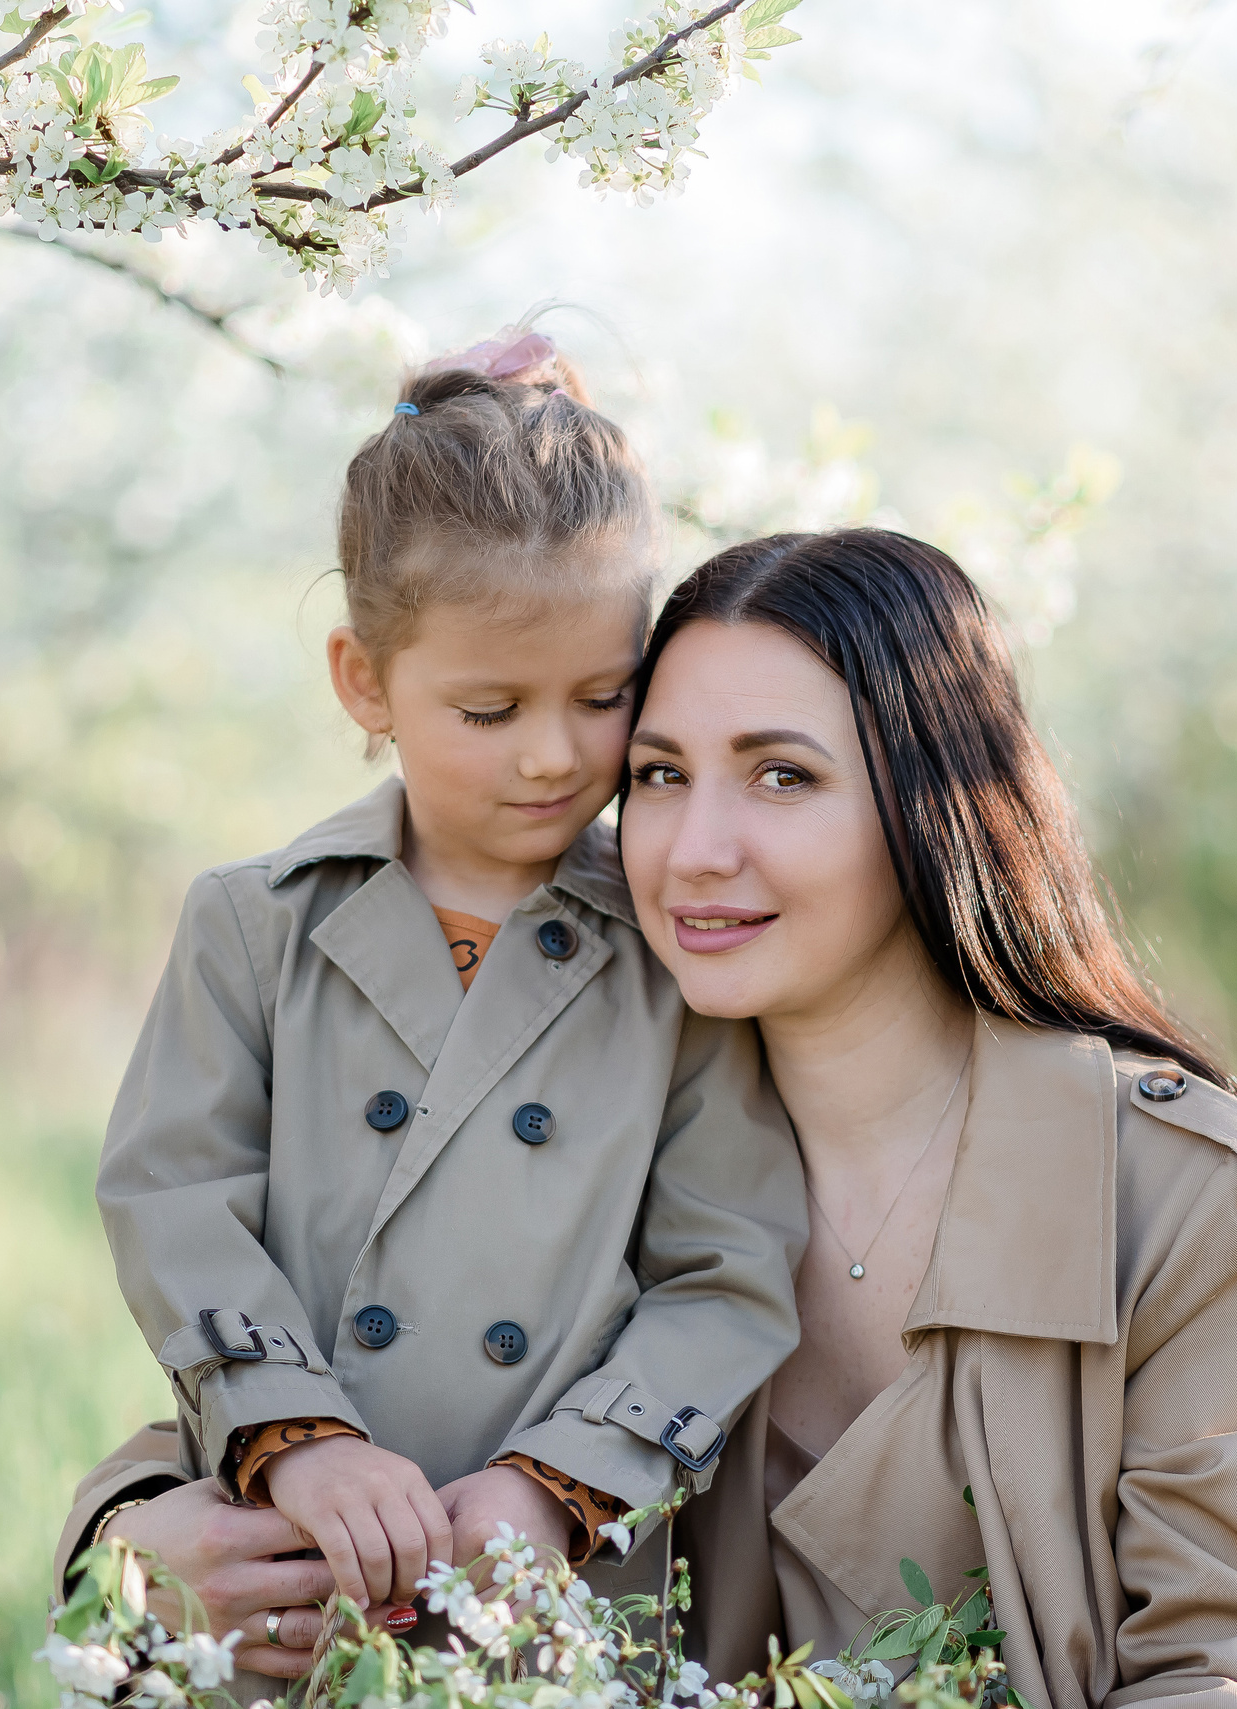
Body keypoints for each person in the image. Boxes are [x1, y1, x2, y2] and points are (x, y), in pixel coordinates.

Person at [619, 529, 1237, 1709]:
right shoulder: (606, 1168)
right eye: (658, 774)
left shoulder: (1197, 1202)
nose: (694, 850)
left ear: (932, 803)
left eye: (783, 775)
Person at [54, 329, 805, 1681]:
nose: (554, 753)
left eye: (601, 694)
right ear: (365, 682)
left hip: (551, 1587)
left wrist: (554, 1486)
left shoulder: (667, 954)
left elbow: (727, 1273)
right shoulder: (256, 926)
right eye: (487, 706)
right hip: (291, 1555)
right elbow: (173, 1204)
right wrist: (299, 1436)